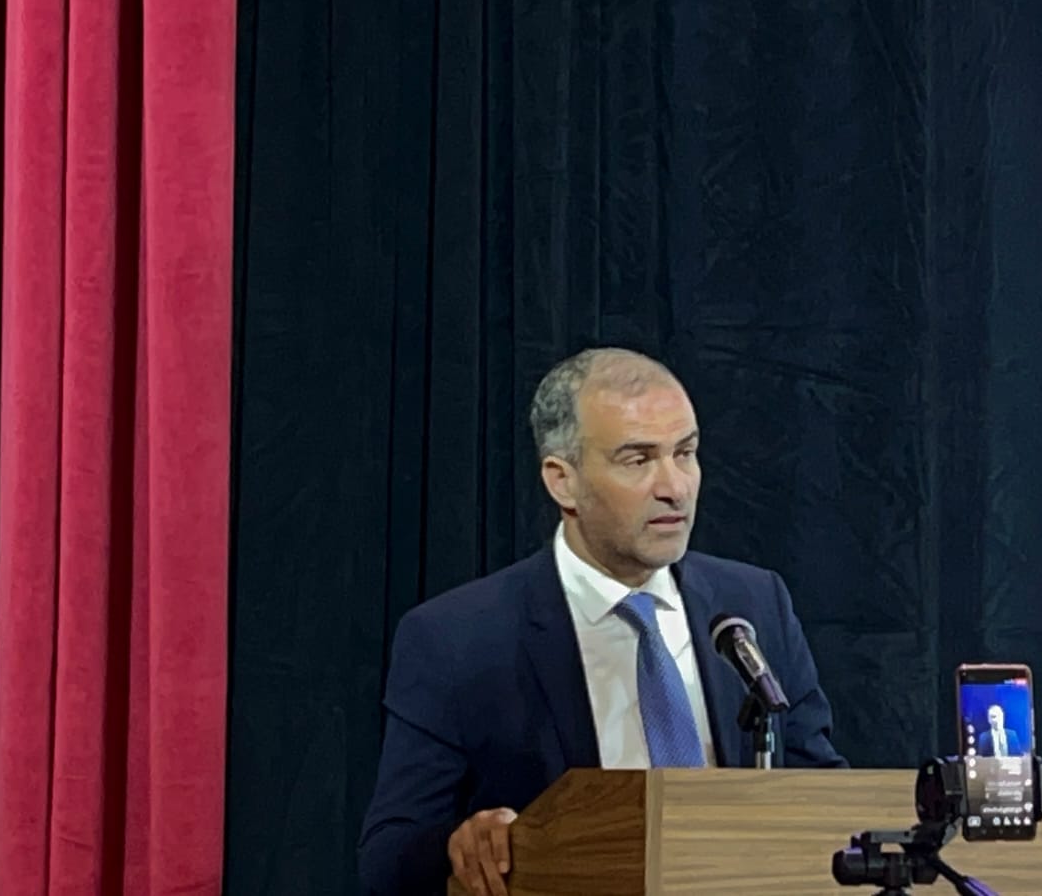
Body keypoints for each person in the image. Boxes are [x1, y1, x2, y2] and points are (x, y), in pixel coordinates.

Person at [357, 347, 848, 896]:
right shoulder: (459, 638)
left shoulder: (753, 604)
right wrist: (463, 844)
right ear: (562, 481)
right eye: (638, 460)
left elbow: (825, 798)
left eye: (685, 453)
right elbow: (388, 859)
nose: (675, 486)